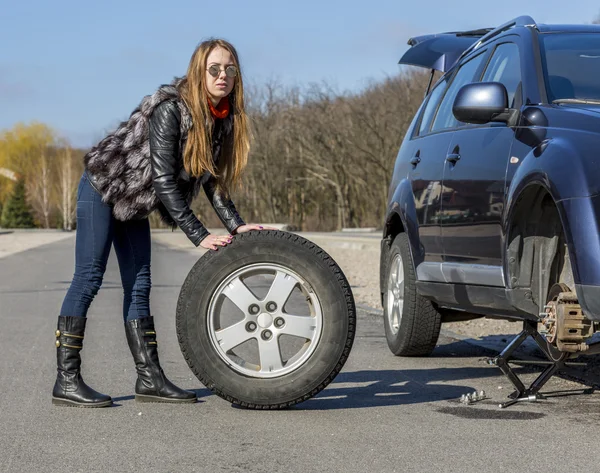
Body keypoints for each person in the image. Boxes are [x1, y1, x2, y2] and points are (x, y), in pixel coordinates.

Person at [53, 38, 271, 408]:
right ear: (198, 72)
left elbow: (212, 181)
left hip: (134, 203)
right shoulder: (172, 109)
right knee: (89, 278)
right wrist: (199, 235)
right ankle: (67, 380)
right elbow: (163, 180)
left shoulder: (220, 119)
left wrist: (237, 226)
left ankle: (149, 379)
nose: (223, 76)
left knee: (139, 285)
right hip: (104, 186)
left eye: (230, 69)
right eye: (214, 69)